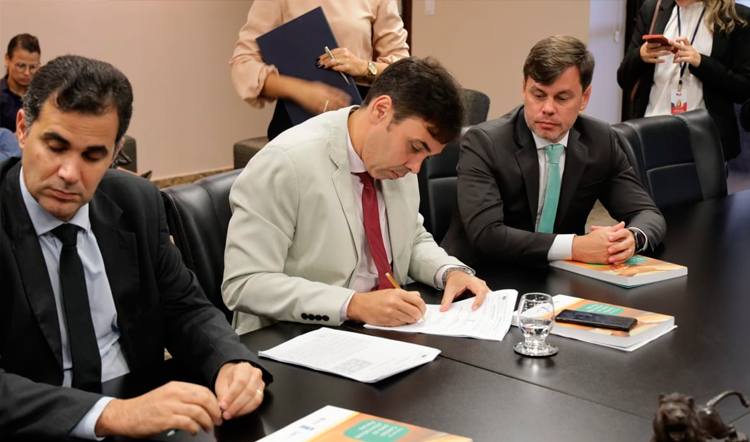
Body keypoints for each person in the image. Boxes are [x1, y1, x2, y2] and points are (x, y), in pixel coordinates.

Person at [0, 55, 271, 440]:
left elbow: (185, 308)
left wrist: (230, 362)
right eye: (56, 146)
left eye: (93, 155)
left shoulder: (137, 202)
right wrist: (110, 413)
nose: (70, 174)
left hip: (144, 419)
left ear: (116, 152)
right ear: (23, 129)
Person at [223, 57, 490, 334]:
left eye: (427, 156)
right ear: (381, 110)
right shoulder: (285, 162)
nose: (415, 168)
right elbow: (245, 283)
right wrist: (353, 304)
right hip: (296, 335)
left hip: (386, 331)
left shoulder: (398, 164)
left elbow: (410, 239)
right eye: (415, 147)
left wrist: (449, 271)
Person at [441, 36, 667, 267]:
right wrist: (575, 247)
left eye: (562, 98)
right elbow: (487, 236)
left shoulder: (600, 140)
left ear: (585, 97)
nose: (548, 109)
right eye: (538, 95)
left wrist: (632, 239)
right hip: (481, 273)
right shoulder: (484, 143)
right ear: (524, 89)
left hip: (558, 273)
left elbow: (647, 213)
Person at [230, 0, 410, 140]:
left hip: (356, 122)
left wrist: (364, 67)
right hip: (296, 124)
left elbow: (403, 69)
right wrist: (299, 90)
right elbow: (243, 63)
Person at [617, 0, 750, 161]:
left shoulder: (737, 16)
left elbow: (744, 89)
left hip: (705, 142)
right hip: (650, 135)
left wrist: (701, 63)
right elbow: (623, 79)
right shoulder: (653, 9)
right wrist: (640, 56)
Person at [1, 33, 41, 133]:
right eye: (20, 65)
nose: (27, 73)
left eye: (33, 67)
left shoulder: (42, 95)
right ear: (7, 59)